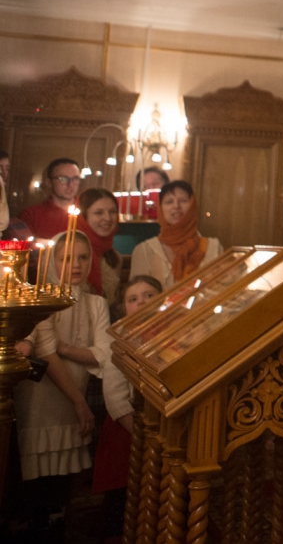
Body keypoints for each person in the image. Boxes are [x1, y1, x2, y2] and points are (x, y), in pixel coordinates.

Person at [12, 232, 114, 537]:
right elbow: (42, 350)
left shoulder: (96, 303)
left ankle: (57, 527)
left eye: (83, 257)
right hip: (41, 404)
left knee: (62, 485)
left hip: (73, 404)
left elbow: (102, 354)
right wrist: (60, 351)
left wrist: (64, 347)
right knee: (33, 483)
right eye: (66, 258)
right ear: (52, 261)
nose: (76, 265)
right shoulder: (40, 297)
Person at [91, 276, 161, 504]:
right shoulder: (120, 341)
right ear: (123, 308)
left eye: (149, 295)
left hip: (165, 428)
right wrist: (143, 436)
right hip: (129, 428)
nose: (142, 302)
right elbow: (115, 398)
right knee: (127, 495)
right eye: (133, 299)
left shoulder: (173, 336)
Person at [130, 180, 223, 289]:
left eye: (183, 201)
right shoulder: (144, 251)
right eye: (169, 202)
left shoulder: (213, 248)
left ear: (192, 205)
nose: (176, 206)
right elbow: (136, 295)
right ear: (160, 208)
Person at [17, 158, 82, 238]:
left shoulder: (88, 210)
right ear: (49, 182)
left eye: (75, 179)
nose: (70, 184)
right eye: (63, 179)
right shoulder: (32, 215)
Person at [77, 188, 123, 302]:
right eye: (99, 213)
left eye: (112, 212)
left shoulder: (114, 257)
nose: (108, 218)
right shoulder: (66, 252)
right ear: (83, 217)